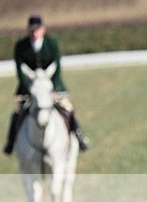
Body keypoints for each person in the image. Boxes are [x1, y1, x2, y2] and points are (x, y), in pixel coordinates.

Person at [3, 15, 90, 154]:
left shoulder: (52, 43)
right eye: (32, 30)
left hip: (53, 87)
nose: (34, 33)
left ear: (43, 29)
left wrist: (53, 89)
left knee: (68, 109)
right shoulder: (21, 46)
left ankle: (80, 137)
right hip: (29, 88)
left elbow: (57, 67)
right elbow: (20, 71)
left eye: (37, 29)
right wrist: (30, 89)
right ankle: (11, 142)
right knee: (17, 114)